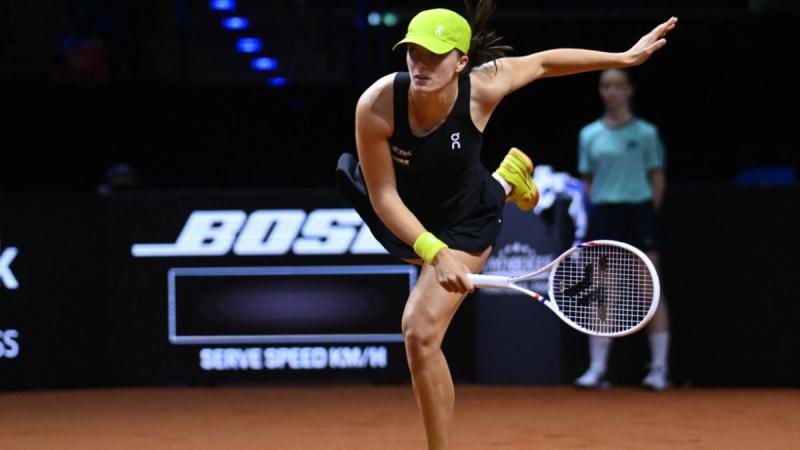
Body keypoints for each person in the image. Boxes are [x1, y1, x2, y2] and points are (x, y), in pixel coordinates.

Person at [337, 2, 677, 447]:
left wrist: (623, 57)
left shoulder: (482, 88)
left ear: (461, 62)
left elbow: (543, 63)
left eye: (435, 56)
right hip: (410, 207)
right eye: (414, 52)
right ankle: (505, 181)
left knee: (419, 333)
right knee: (400, 237)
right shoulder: (378, 104)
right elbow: (384, 196)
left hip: (465, 216)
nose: (421, 64)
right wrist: (433, 252)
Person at [574, 68, 672, 391]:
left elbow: (657, 180)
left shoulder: (646, 133)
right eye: (606, 86)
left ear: (629, 90)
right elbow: (588, 182)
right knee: (603, 291)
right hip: (604, 214)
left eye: (618, 85)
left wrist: (646, 213)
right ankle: (597, 368)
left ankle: (659, 370)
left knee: (650, 290)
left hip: (639, 213)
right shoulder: (589, 135)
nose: (611, 92)